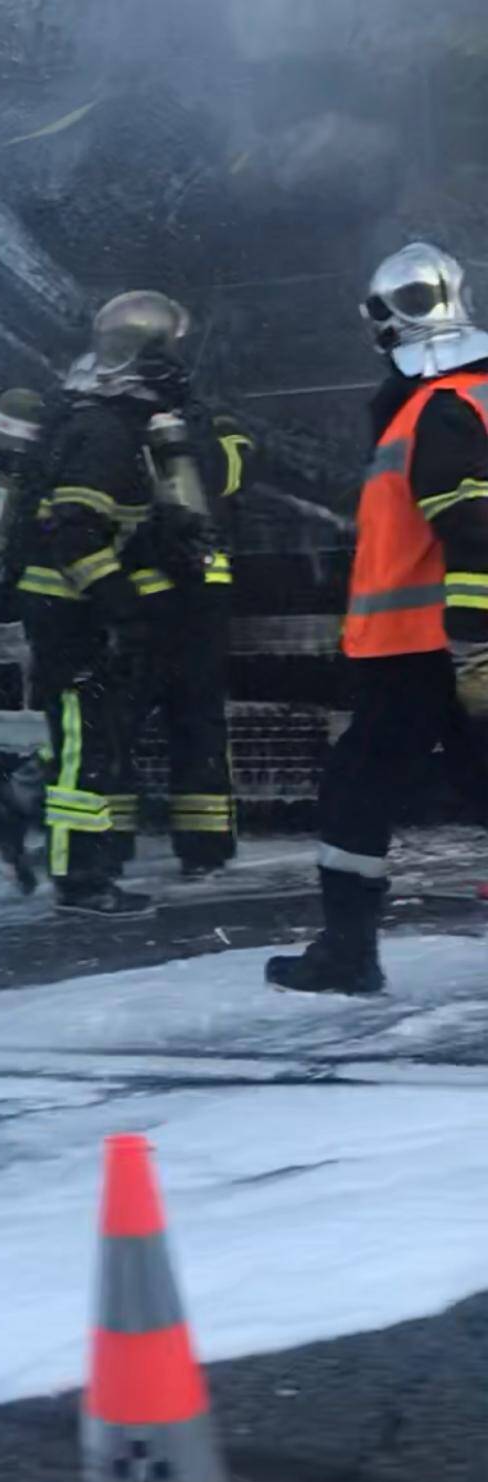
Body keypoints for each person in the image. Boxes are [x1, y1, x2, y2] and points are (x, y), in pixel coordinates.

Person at [265, 240, 488, 995]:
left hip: (421, 646)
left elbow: (470, 522)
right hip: (434, 644)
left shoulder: (436, 408)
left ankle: (347, 950)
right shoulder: (472, 397)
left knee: (356, 785)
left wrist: (473, 643)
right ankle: (344, 948)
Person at [0, 290, 217, 918]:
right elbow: (73, 528)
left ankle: (6, 816)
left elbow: (109, 524)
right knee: (87, 747)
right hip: (72, 616)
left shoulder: (111, 425)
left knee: (88, 737)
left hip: (74, 610)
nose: (175, 373)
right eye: (164, 358)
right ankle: (80, 881)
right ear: (137, 362)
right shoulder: (104, 432)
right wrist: (120, 606)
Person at [116, 403, 255, 880]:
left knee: (112, 726)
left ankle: (20, 813)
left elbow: (133, 518)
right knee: (198, 726)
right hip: (206, 597)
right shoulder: (221, 428)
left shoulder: (132, 428)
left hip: (155, 601)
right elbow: (235, 493)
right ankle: (204, 849)